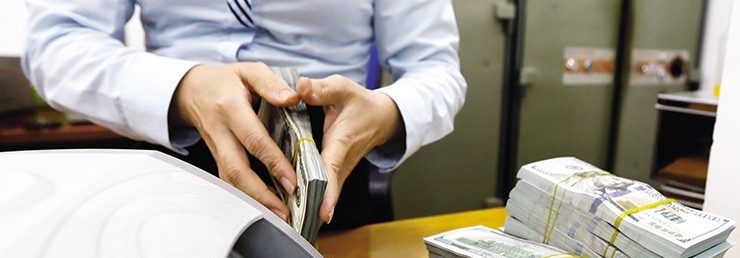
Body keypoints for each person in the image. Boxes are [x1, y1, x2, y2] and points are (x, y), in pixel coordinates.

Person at [22, 0, 466, 227]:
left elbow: (436, 70)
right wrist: (183, 89)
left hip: (330, 168)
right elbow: (56, 44)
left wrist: (387, 111)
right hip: (179, 152)